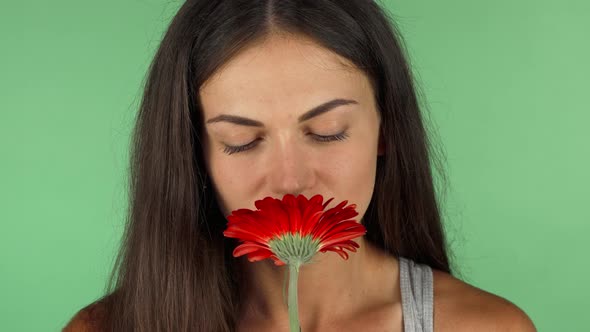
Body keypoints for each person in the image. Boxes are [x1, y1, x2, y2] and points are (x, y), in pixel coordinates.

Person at [63, 0, 537, 331]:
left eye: (328, 130)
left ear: (386, 129)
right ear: (193, 154)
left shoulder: (487, 326)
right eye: (242, 141)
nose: (290, 180)